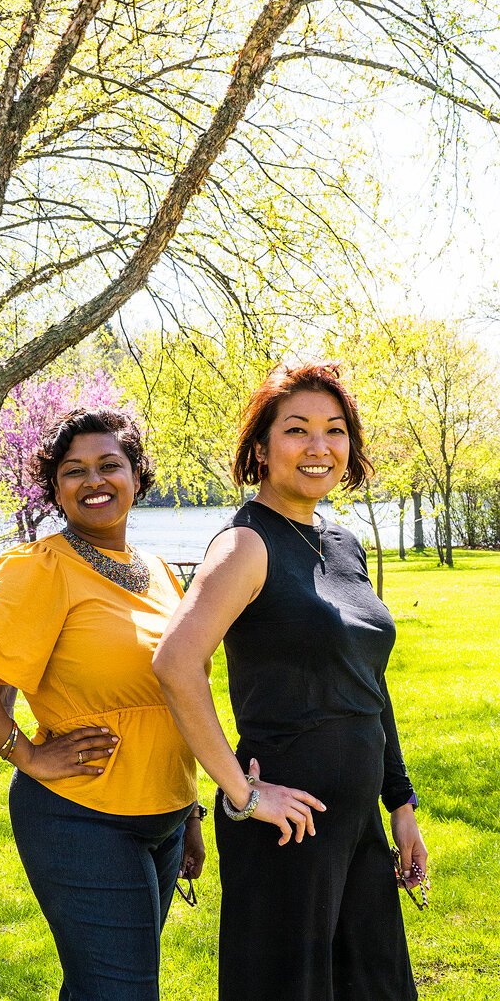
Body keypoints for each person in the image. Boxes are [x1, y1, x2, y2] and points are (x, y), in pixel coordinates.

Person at [153, 363, 427, 1000]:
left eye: (334, 431)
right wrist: (242, 794)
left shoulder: (343, 542)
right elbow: (175, 662)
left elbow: (368, 685)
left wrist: (401, 804)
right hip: (288, 825)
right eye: (297, 430)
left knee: (375, 987)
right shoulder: (247, 544)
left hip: (356, 819)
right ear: (261, 447)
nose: (318, 447)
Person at [0, 407, 204, 1000]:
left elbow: (178, 697)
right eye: (74, 470)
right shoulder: (40, 567)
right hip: (82, 817)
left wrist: (190, 809)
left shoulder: (160, 574)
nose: (95, 481)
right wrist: (23, 752)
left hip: (162, 815)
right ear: (55, 489)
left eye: (111, 465)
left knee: (98, 990)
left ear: (137, 476)